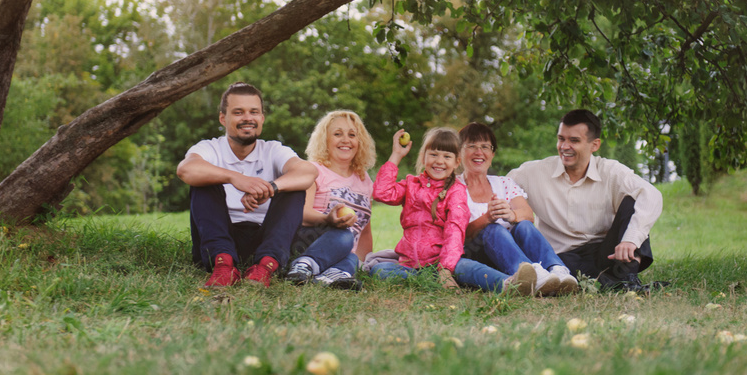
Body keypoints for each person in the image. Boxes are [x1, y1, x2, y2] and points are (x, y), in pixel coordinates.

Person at [177, 82, 318, 288]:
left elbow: (308, 172)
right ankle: (223, 267)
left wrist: (270, 188)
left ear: (261, 118)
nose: (247, 118)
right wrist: (235, 178)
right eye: (238, 112)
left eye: (254, 112)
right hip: (217, 238)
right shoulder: (210, 148)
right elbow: (185, 169)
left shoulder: (273, 150)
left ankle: (264, 268)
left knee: (294, 188)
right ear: (223, 118)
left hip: (264, 240)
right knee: (203, 180)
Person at [508, 109, 665, 293]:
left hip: (605, 254)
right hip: (559, 259)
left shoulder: (610, 171)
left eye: (574, 140)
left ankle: (626, 281)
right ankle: (583, 281)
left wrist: (631, 240)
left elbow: (652, 195)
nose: (565, 146)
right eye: (561, 139)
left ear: (594, 144)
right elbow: (500, 188)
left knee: (633, 201)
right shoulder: (533, 172)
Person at [368, 127, 537, 295]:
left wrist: (445, 269)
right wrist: (396, 155)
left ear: (457, 162)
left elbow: (455, 232)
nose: (439, 161)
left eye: (447, 156)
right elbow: (381, 193)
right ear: (423, 156)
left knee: (467, 267)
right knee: (380, 270)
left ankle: (508, 284)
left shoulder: (456, 191)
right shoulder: (411, 185)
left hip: (444, 262)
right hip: (410, 265)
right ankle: (430, 280)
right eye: (433, 154)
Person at [458, 122, 579, 296]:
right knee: (493, 229)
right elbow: (456, 234)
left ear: (492, 153)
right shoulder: (454, 186)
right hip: (475, 254)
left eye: (485, 147)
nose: (479, 152)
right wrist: (487, 218)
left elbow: (528, 215)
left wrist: (511, 214)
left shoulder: (503, 183)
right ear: (459, 152)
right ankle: (531, 275)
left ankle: (558, 270)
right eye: (471, 146)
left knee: (523, 225)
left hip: (507, 253)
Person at [285, 110, 377, 290]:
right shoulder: (314, 170)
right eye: (337, 134)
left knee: (353, 258)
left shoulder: (365, 180)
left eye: (352, 135)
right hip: (309, 241)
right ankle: (302, 265)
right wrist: (328, 220)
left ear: (360, 142)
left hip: (343, 250)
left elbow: (364, 231)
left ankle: (328, 278)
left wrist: (364, 264)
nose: (345, 140)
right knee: (344, 235)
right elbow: (301, 214)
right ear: (324, 140)